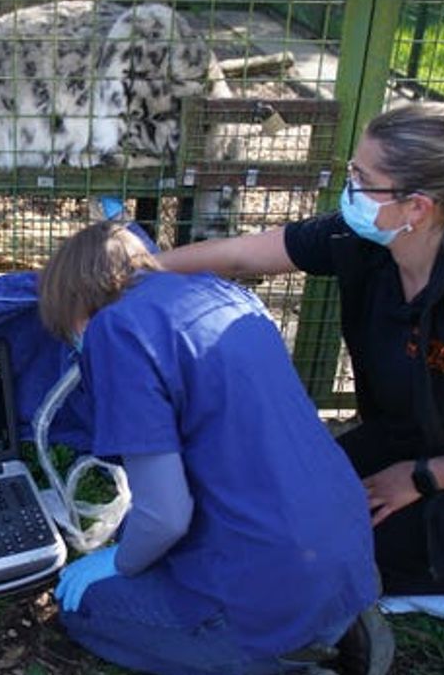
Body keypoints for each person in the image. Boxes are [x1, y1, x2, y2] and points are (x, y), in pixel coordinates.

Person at [158, 89, 444, 598]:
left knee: (331, 559)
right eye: (353, 171)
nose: (349, 190)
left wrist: (421, 478)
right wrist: (144, 267)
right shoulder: (373, 238)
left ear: (415, 207)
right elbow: (248, 254)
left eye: (362, 181)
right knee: (280, 507)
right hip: (421, 434)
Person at [37, 221, 388, 675]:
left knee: (82, 609)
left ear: (75, 305)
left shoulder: (115, 330)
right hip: (348, 559)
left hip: (267, 588)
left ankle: (280, 661)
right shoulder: (223, 294)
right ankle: (330, 627)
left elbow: (165, 517)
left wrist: (119, 564)